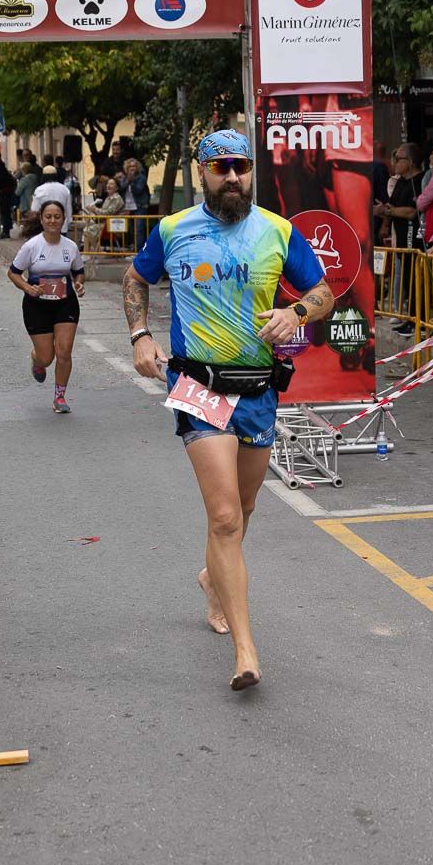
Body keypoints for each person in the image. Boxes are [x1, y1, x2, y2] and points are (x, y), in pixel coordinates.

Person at [123, 129, 334, 692]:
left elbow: (323, 293)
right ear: (202, 173)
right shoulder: (173, 230)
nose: (234, 177)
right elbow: (136, 278)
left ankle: (211, 578)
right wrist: (142, 336)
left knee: (242, 507)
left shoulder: (277, 231)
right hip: (198, 386)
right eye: (222, 168)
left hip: (258, 389)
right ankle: (246, 650)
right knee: (223, 517)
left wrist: (297, 312)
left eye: (241, 167)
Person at [8, 200, 85, 414]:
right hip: (37, 306)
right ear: (42, 219)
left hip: (65, 304)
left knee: (64, 352)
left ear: (63, 219)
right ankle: (36, 359)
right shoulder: (32, 246)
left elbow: (79, 271)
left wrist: (79, 283)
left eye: (57, 216)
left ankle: (59, 397)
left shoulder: (70, 246)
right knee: (47, 357)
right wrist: (27, 287)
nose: (53, 220)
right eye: (48, 216)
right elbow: (13, 272)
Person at [374, 142, 424, 334]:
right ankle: (410, 316)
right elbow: (391, 206)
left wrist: (390, 211)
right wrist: (385, 213)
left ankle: (417, 319)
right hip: (399, 237)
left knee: (415, 277)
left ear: (410, 162)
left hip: (414, 236)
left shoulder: (419, 181)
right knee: (405, 278)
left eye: (399, 158)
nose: (394, 162)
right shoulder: (399, 182)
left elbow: (412, 212)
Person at [84, 177, 124, 253]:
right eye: (108, 183)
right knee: (86, 224)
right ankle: (97, 251)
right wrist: (93, 211)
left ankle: (87, 253)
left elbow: (108, 213)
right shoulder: (108, 198)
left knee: (87, 230)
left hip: (113, 225)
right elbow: (103, 212)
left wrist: (94, 209)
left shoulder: (116, 199)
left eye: (111, 184)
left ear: (116, 188)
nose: (109, 185)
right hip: (105, 224)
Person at [120, 158, 150, 249]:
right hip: (128, 207)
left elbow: (138, 191)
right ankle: (133, 248)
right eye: (130, 166)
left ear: (137, 167)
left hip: (140, 206)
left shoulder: (141, 177)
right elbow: (121, 188)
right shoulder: (125, 177)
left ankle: (139, 251)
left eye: (134, 166)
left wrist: (131, 181)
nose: (132, 168)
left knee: (139, 230)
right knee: (131, 230)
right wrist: (128, 180)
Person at [31, 165, 73, 232]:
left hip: (45, 226)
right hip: (61, 226)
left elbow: (35, 209)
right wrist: (69, 221)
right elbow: (68, 209)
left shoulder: (39, 190)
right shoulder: (65, 189)